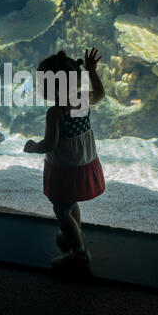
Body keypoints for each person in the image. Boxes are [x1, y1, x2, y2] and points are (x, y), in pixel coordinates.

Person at [23, 48, 106, 269]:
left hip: (65, 166)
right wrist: (91, 71)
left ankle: (79, 254)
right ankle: (73, 231)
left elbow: (50, 144)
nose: (39, 87)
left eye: (42, 84)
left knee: (61, 208)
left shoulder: (56, 112)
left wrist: (32, 147)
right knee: (70, 202)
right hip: (84, 162)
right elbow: (100, 93)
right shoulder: (83, 98)